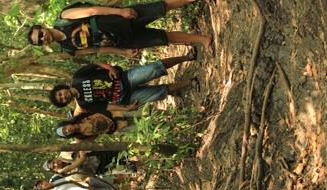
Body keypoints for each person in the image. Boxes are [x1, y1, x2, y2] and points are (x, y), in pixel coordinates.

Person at [28, 0, 212, 57]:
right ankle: (203, 40)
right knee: (162, 38)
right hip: (121, 40)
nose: (43, 38)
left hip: (116, 21)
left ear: (43, 27)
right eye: (40, 41)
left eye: (41, 34)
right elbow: (98, 49)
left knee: (160, 8)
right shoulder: (68, 49)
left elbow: (92, 10)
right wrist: (121, 52)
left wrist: (120, 11)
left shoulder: (64, 18)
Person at [48, 53, 198, 113]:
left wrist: (110, 68)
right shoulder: (84, 104)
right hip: (125, 98)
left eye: (60, 94)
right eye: (61, 100)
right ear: (64, 102)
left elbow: (95, 65)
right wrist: (126, 109)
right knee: (158, 93)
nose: (63, 96)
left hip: (124, 79)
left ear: (62, 88)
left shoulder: (77, 78)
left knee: (154, 68)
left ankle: (187, 57)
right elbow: (106, 106)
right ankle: (189, 83)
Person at [55, 109, 133, 141]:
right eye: (66, 133)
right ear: (68, 135)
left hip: (115, 114)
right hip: (116, 128)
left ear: (66, 124)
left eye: (65, 128)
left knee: (143, 113)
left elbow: (95, 109)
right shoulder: (81, 136)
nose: (67, 130)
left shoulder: (79, 115)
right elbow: (96, 135)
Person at [43, 150, 135, 175]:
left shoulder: (64, 153)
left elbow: (79, 148)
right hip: (100, 169)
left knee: (126, 154)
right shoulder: (66, 175)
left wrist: (81, 158)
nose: (56, 164)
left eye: (53, 162)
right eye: (53, 167)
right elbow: (82, 176)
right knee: (128, 168)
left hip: (99, 155)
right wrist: (81, 159)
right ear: (55, 170)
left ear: (54, 159)